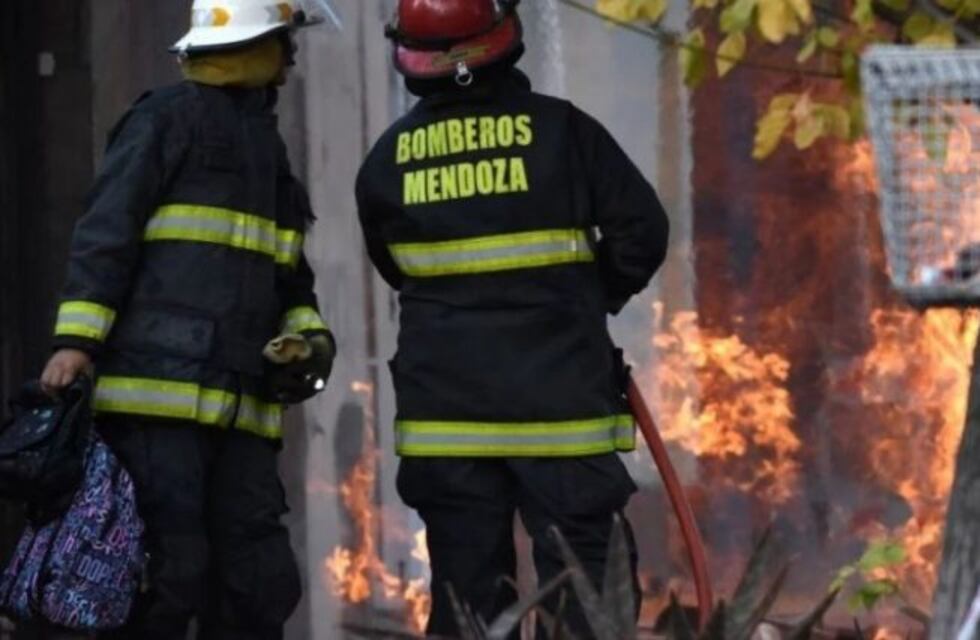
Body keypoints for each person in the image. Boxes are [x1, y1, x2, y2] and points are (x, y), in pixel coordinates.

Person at [355, 0, 671, 636]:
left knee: (468, 603)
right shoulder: (564, 134)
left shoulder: (387, 163)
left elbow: (398, 271)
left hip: (447, 425)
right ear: (504, 40)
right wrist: (585, 298)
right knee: (586, 601)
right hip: (562, 419)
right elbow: (643, 231)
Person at [39, 1, 337, 637]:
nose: (291, 62)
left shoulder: (267, 150)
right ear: (261, 46)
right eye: (286, 44)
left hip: (241, 412)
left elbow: (288, 270)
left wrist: (307, 336)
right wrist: (76, 342)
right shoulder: (161, 122)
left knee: (256, 583)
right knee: (166, 578)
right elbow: (105, 235)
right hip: (156, 410)